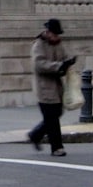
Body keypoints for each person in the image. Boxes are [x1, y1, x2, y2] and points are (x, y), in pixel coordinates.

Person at [27, 18, 76, 156]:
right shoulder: (38, 45)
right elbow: (39, 65)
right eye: (54, 34)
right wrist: (58, 66)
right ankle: (57, 147)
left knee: (56, 114)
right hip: (44, 88)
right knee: (52, 118)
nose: (57, 37)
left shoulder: (58, 44)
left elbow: (64, 57)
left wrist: (68, 63)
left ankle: (35, 135)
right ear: (48, 32)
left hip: (57, 87)